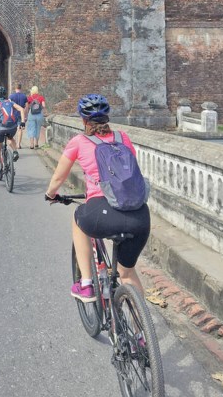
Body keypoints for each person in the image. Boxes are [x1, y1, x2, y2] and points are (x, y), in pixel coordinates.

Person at [44, 94, 150, 301]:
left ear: (84, 120)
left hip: (103, 212)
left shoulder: (79, 141)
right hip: (140, 216)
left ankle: (86, 284)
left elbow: (58, 177)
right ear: (107, 118)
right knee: (127, 274)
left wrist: (51, 194)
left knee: (78, 219)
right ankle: (141, 329)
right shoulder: (123, 138)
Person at [0, 85, 26, 180]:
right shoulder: (10, 102)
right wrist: (22, 122)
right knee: (10, 138)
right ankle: (15, 152)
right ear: (4, 94)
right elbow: (21, 109)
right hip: (12, 127)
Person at [8, 83, 29, 148]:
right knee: (20, 129)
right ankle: (18, 144)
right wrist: (25, 116)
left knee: (12, 128)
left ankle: (12, 141)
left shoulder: (11, 96)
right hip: (21, 114)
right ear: (21, 88)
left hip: (13, 114)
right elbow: (26, 107)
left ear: (15, 88)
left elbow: (9, 106)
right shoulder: (24, 96)